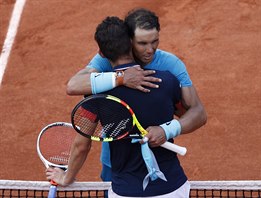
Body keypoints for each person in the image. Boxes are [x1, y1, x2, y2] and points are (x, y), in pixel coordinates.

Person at [47, 16, 190, 197]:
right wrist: (166, 129)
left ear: (102, 53)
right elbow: (187, 115)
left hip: (126, 191)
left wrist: (66, 177)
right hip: (173, 188)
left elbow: (82, 144)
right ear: (132, 44)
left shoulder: (96, 95)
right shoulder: (168, 80)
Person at [66, 8, 207, 184]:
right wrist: (121, 78)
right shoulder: (105, 60)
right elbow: (73, 85)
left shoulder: (171, 65)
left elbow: (198, 112)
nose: (150, 50)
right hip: (116, 163)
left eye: (155, 41)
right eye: (142, 43)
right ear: (129, 41)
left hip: (159, 161)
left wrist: (166, 130)